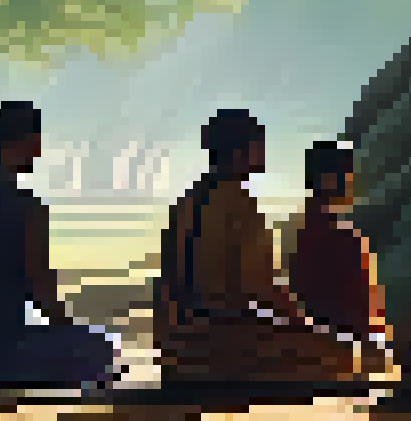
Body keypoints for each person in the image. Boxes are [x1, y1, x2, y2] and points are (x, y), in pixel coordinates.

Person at [0, 100, 122, 387]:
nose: (40, 151)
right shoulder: (27, 207)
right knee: (99, 346)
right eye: (36, 141)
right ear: (23, 143)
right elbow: (42, 293)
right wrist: (70, 334)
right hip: (0, 357)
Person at [155, 109, 365, 382]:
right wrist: (308, 328)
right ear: (243, 150)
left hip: (176, 347)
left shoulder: (185, 202)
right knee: (344, 356)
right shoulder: (241, 203)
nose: (264, 153)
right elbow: (263, 287)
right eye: (259, 145)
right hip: (217, 345)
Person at [285, 140, 393, 371]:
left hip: (309, 348)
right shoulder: (342, 236)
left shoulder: (294, 230)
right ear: (329, 180)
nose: (351, 184)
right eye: (347, 176)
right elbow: (360, 309)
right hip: (340, 355)